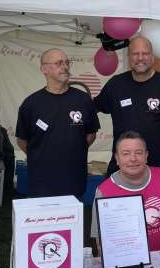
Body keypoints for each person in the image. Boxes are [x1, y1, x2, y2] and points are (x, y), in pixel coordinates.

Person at [94, 36, 160, 175]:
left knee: (153, 198)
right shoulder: (115, 85)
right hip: (121, 168)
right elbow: (92, 109)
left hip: (154, 165)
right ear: (129, 56)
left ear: (152, 57)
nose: (140, 58)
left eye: (145, 54)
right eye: (135, 54)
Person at [16, 48, 100, 198]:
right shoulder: (31, 104)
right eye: (59, 63)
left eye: (67, 62)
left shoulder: (83, 100)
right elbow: (22, 140)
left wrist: (74, 152)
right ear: (44, 69)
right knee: (41, 220)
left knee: (71, 220)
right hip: (41, 183)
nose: (65, 66)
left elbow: (91, 134)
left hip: (73, 181)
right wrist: (41, 157)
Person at [90, 131, 160, 251]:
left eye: (138, 153)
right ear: (117, 158)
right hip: (127, 265)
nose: (133, 159)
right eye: (126, 154)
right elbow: (100, 240)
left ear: (146, 156)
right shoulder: (104, 191)